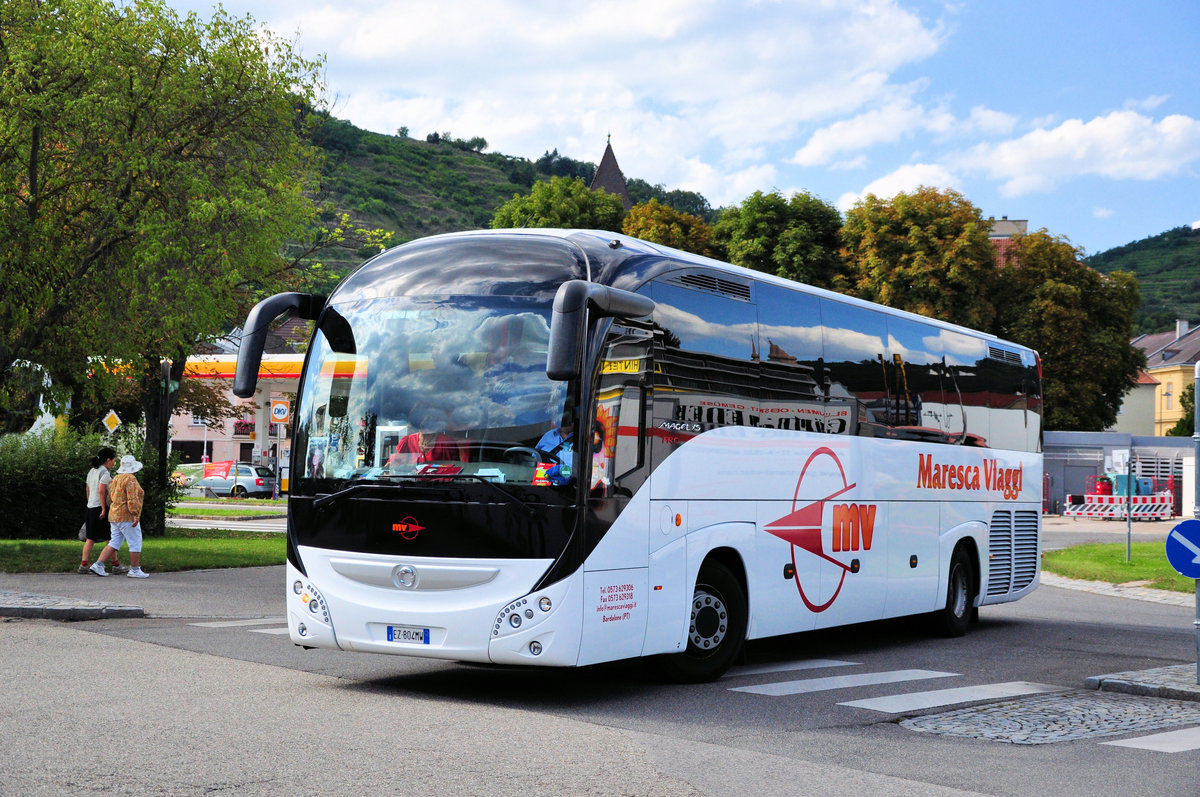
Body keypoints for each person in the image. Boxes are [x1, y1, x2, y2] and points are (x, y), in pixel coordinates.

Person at [90, 455, 149, 578]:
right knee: (135, 541)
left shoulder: (116, 478)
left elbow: (109, 497)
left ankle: (98, 564)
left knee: (114, 541)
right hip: (126, 516)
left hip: (114, 515)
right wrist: (135, 514)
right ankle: (135, 569)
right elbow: (132, 498)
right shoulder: (131, 479)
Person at [79, 447, 126, 574]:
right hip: (101, 508)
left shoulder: (92, 471)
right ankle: (116, 565)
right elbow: (102, 490)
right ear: (108, 460)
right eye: (114, 459)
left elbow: (88, 489)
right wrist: (104, 509)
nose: (114, 462)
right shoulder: (105, 473)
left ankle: (84, 564)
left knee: (91, 537)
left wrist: (90, 502)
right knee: (110, 537)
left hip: (91, 506)